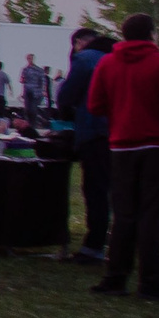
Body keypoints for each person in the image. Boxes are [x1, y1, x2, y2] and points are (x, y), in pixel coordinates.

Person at [88, 14, 159, 302]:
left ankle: (115, 277)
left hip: (121, 147)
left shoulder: (107, 63)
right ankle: (150, 281)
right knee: (152, 214)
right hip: (155, 146)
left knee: (124, 214)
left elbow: (95, 104)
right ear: (151, 34)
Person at [54, 27, 115, 263]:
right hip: (121, 133)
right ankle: (122, 241)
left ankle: (93, 247)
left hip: (94, 130)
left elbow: (66, 96)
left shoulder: (85, 59)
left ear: (79, 42)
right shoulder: (117, 57)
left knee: (96, 189)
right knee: (116, 190)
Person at [17, 53, 53, 130]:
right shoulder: (25, 69)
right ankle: (28, 125)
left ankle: (32, 126)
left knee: (33, 110)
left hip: (35, 92)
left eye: (31, 58)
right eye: (28, 58)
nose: (30, 60)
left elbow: (43, 80)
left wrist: (43, 90)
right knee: (27, 110)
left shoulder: (38, 70)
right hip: (27, 91)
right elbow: (21, 79)